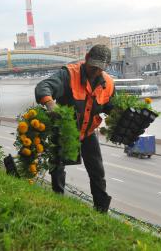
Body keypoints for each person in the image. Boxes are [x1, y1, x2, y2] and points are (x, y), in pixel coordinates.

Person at [35, 44, 115, 213]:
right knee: (57, 166)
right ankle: (58, 199)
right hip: (65, 130)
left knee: (97, 171)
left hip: (87, 132)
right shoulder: (68, 74)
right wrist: (50, 103)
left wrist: (121, 115)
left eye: (100, 69)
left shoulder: (108, 83)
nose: (95, 72)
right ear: (86, 58)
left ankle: (101, 209)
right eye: (93, 67)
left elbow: (110, 106)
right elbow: (43, 87)